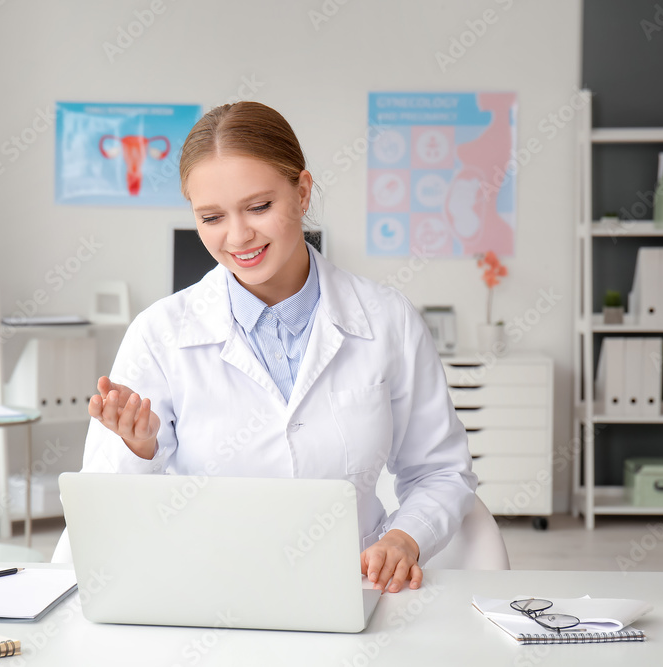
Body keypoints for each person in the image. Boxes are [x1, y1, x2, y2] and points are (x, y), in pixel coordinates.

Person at [52, 102, 477, 593]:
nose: (238, 236)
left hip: (350, 587)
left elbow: (441, 470)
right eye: (212, 217)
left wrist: (405, 539)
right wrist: (140, 448)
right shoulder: (159, 334)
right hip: (205, 594)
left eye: (259, 207)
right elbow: (105, 512)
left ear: (301, 191)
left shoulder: (387, 320)